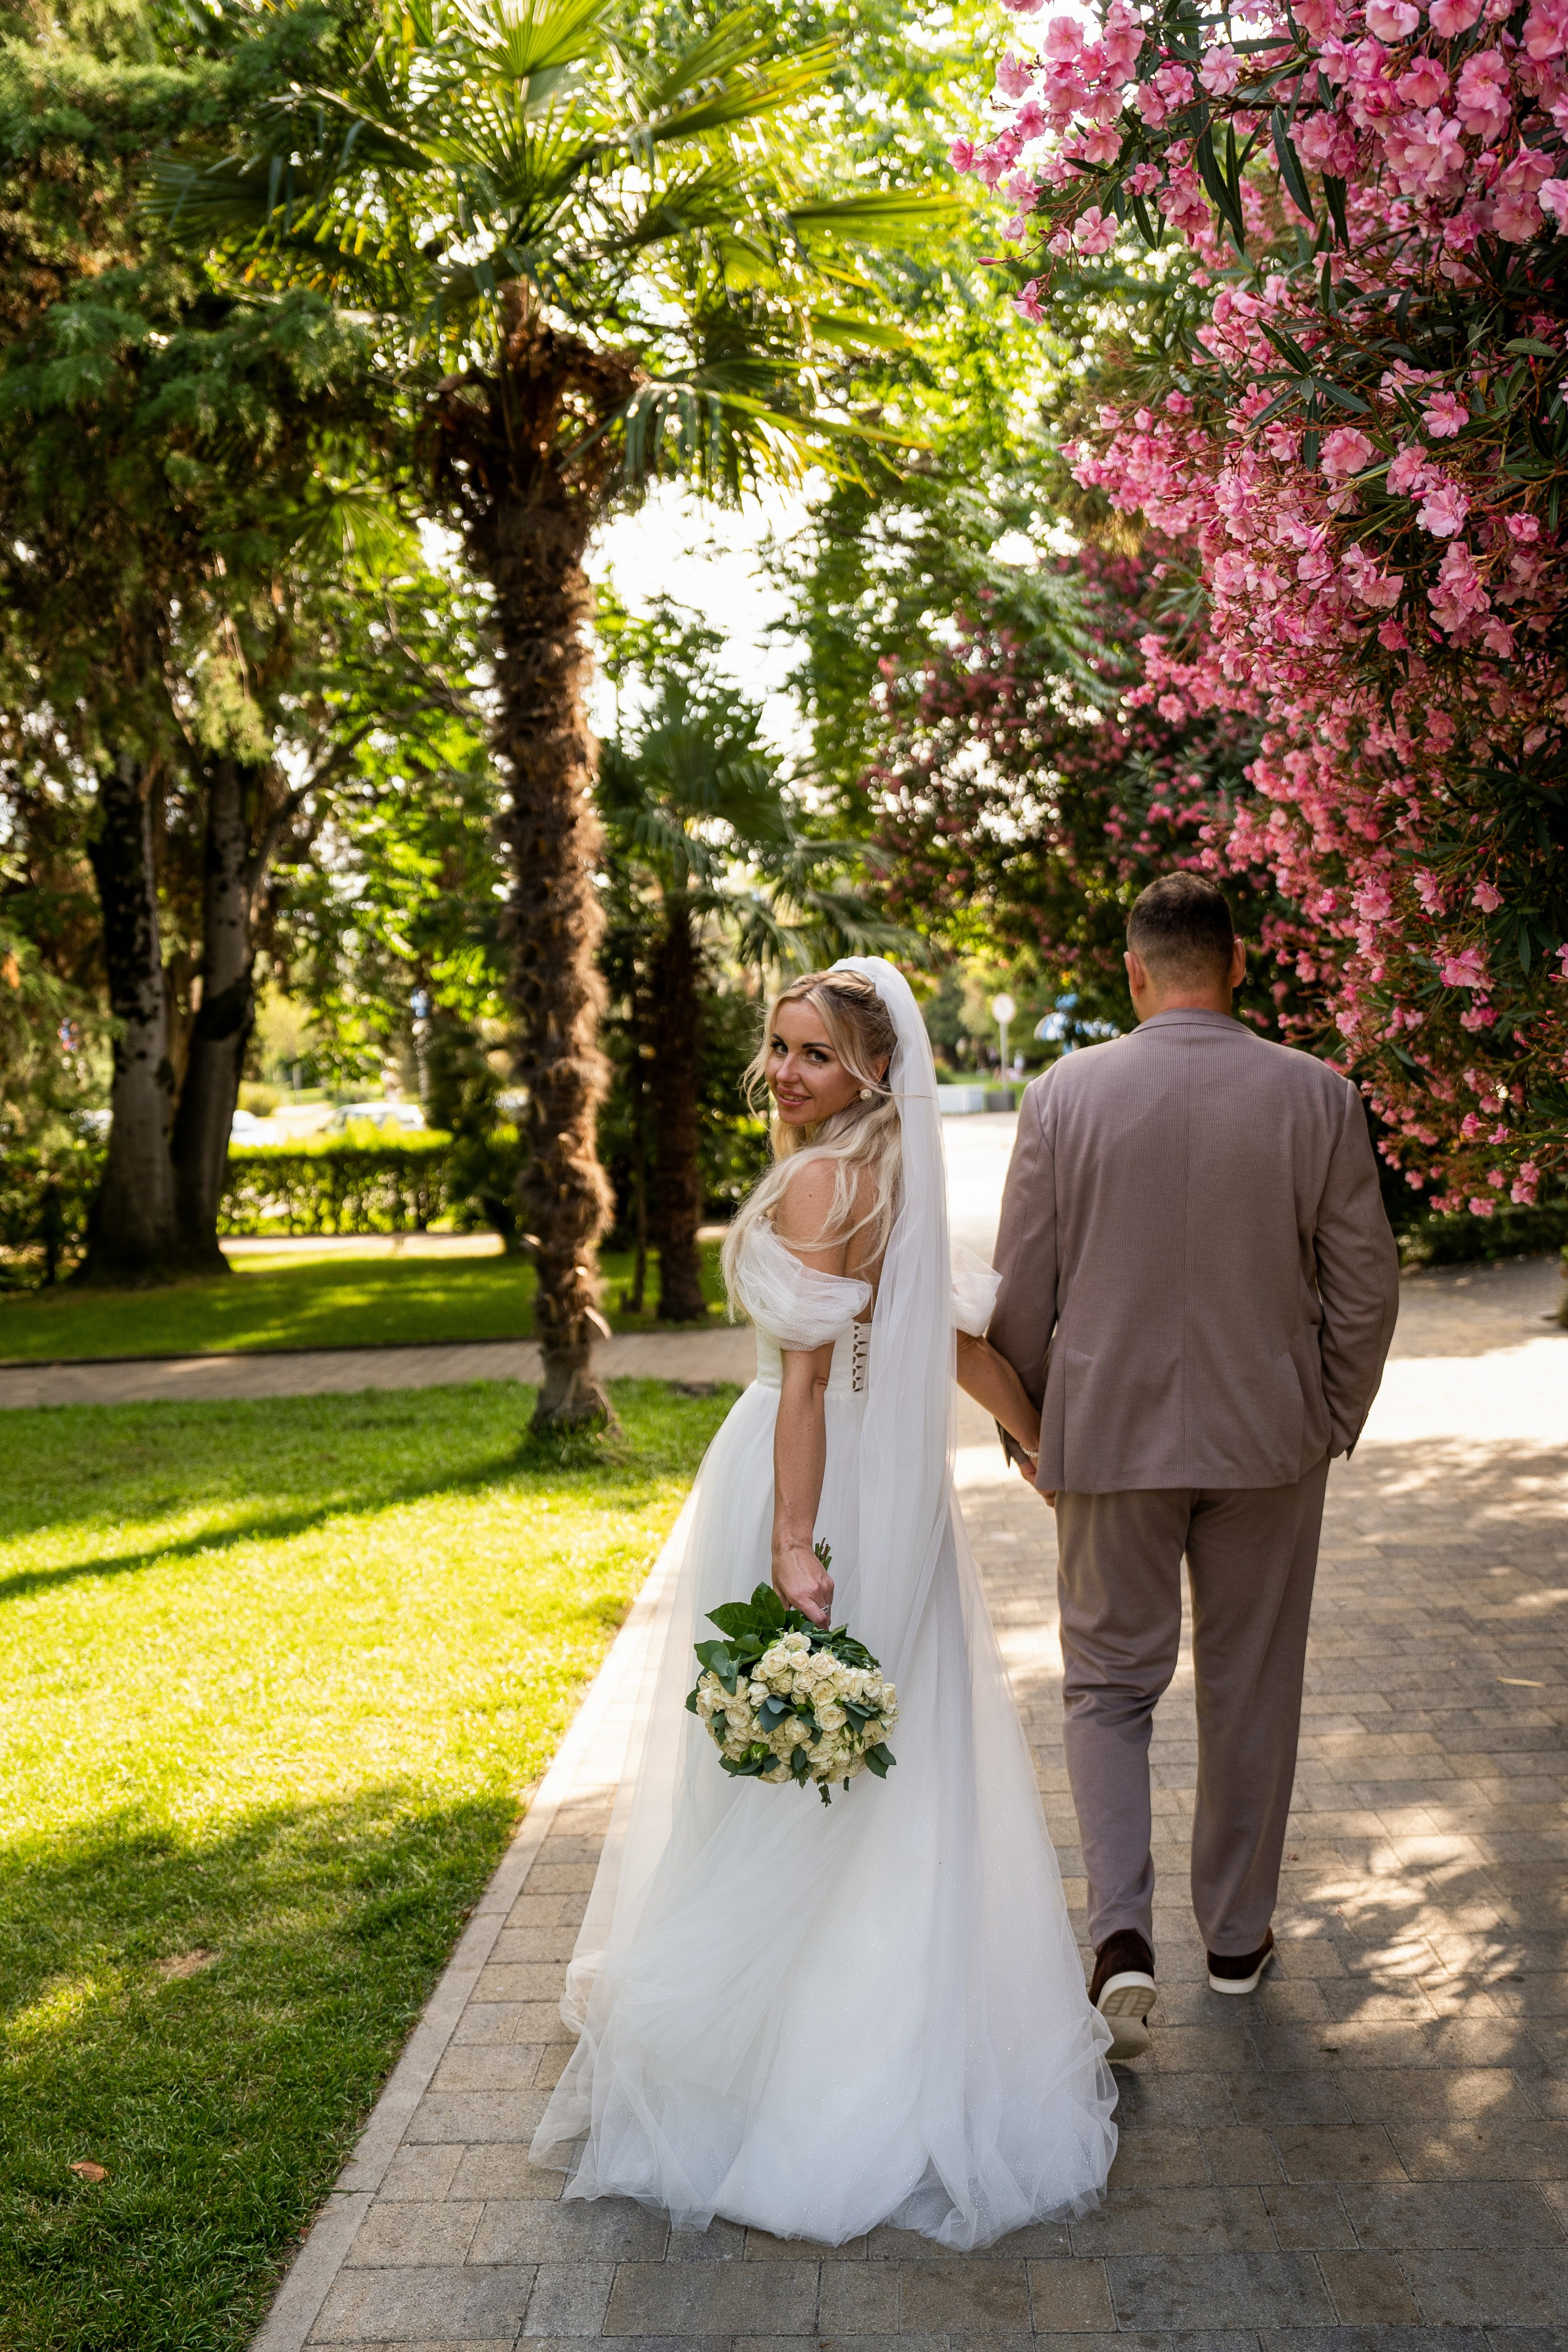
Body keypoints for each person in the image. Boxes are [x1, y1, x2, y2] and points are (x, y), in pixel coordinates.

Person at [530, 957, 1117, 2247]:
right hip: (894, 1493)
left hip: (801, 1482)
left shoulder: (816, 1183)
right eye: (778, 1047)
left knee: (780, 1763)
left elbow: (802, 1389)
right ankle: (899, 2029)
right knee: (887, 1758)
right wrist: (1036, 1452)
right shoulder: (901, 1182)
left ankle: (781, 2058)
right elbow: (960, 1349)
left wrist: (794, 1544)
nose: (783, 1073)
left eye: (810, 1053)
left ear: (869, 1069)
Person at [987, 874, 1400, 2060]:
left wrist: (1028, 1428)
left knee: (1104, 1689)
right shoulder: (1313, 1094)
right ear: (1239, 962)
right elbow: (1362, 1280)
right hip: (1267, 1441)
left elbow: (1023, 1285)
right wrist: (1328, 1412)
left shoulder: (1062, 1095)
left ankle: (1118, 1940)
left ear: (1132, 975)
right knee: (1248, 1687)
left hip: (1105, 1440)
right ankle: (1234, 1940)